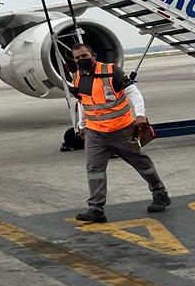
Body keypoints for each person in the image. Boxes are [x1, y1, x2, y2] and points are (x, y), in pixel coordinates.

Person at [70, 44, 169, 223]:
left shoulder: (111, 71)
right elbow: (82, 102)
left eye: (83, 56)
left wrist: (140, 115)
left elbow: (133, 92)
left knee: (141, 163)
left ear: (93, 55)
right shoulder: (77, 78)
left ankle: (160, 193)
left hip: (121, 130)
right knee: (94, 169)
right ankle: (96, 208)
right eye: (76, 58)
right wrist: (82, 125)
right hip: (95, 133)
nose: (80, 60)